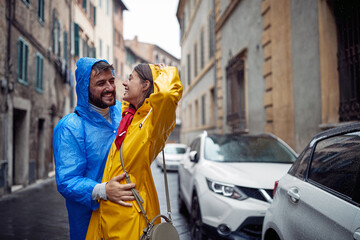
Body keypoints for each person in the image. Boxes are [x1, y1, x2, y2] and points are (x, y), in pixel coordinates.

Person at [85, 63, 183, 239]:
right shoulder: (127, 119)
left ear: (145, 85)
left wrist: (164, 72)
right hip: (106, 216)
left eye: (131, 78)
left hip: (130, 220)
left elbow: (168, 95)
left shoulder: (153, 123)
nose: (124, 83)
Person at [53, 57, 136, 240]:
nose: (110, 88)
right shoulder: (70, 127)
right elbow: (67, 181)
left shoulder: (122, 113)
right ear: (85, 88)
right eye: (101, 83)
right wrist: (103, 191)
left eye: (111, 81)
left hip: (124, 221)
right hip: (89, 225)